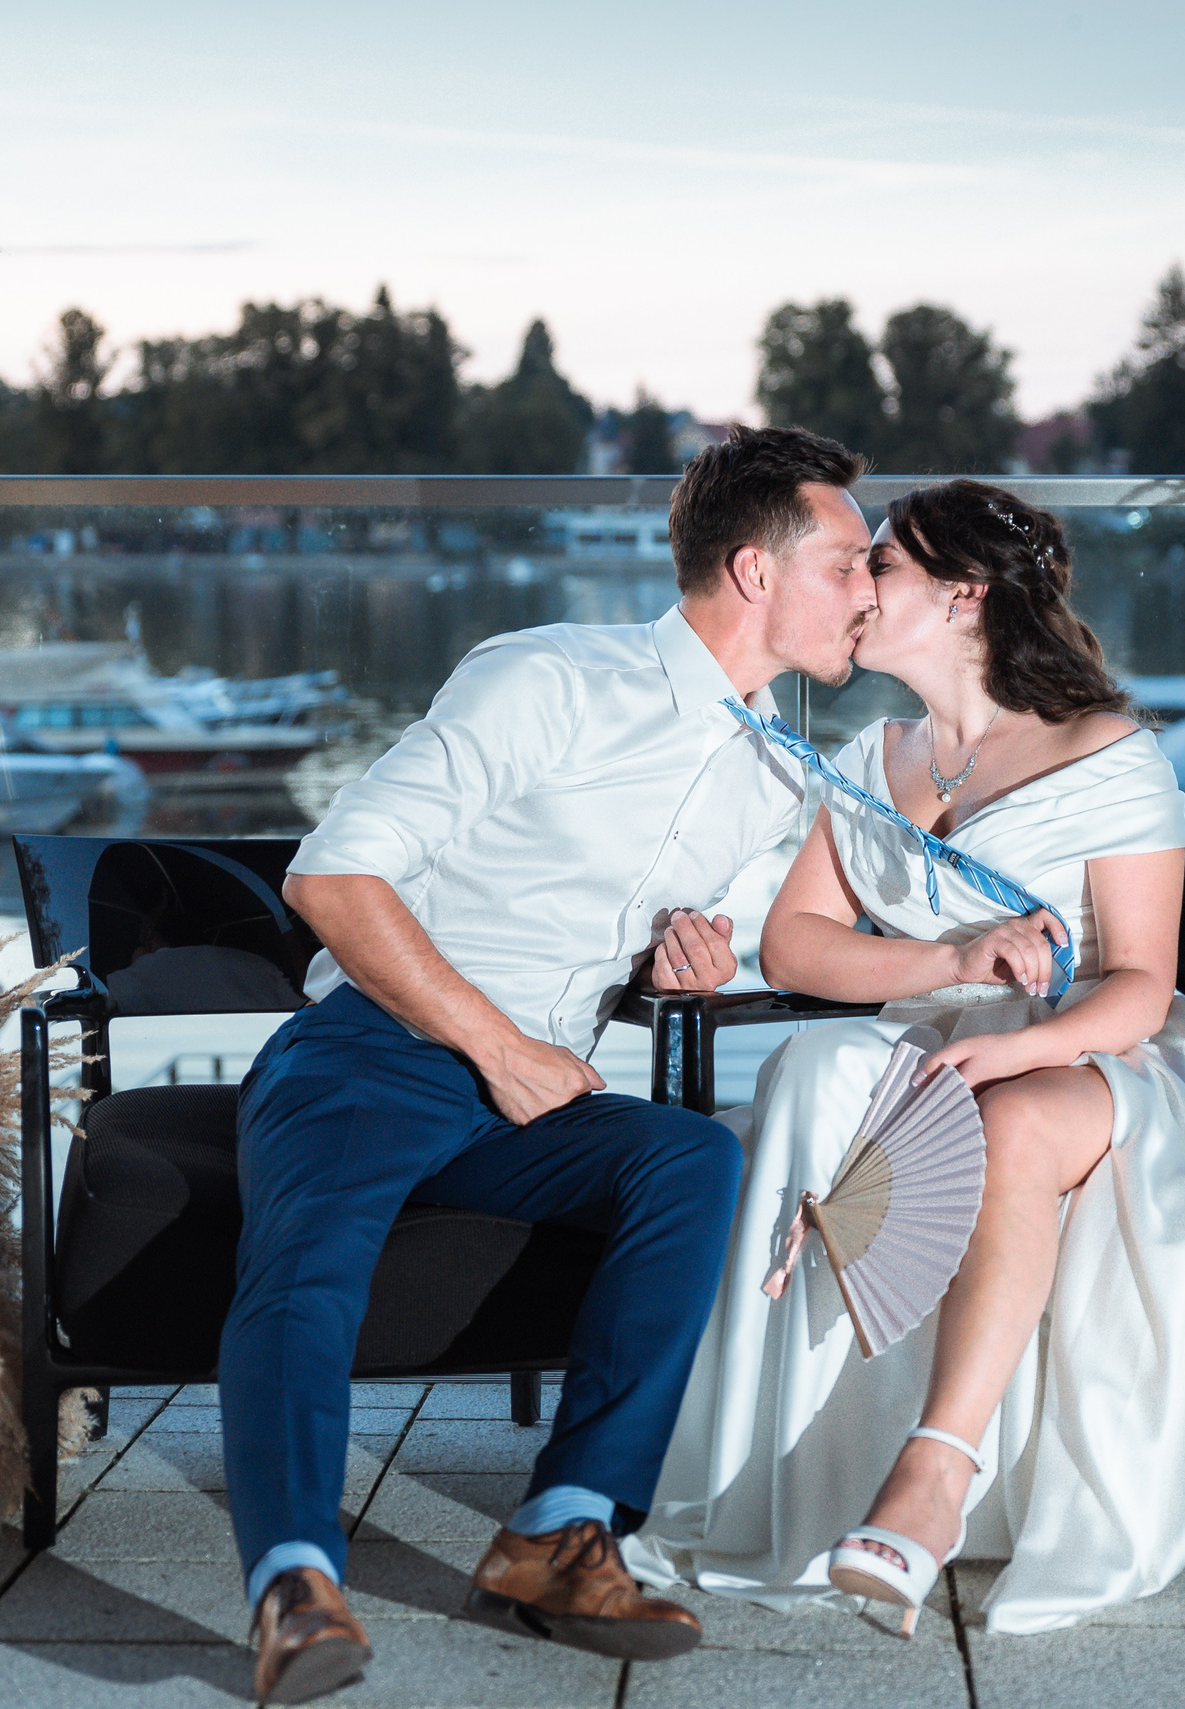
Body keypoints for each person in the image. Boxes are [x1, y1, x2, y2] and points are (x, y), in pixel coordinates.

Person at [219, 426, 879, 1705]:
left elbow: (665, 936)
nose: (871, 588)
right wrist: (497, 1042)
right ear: (755, 572)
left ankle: (562, 1532)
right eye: (850, 561)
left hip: (529, 1094)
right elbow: (332, 874)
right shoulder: (551, 680)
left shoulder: (766, 770)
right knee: (309, 1248)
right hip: (375, 1048)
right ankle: (292, 1581)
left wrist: (674, 967)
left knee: (692, 1156)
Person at [626, 479, 1185, 1636]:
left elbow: (1139, 979)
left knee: (1014, 1119)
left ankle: (935, 1475)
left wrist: (1017, 1043)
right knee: (816, 1075)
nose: (855, 582)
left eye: (879, 563)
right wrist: (951, 964)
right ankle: (784, 1479)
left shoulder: (1106, 753)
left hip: (1101, 1056)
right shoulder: (873, 755)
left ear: (965, 595)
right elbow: (797, 941)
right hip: (934, 1039)